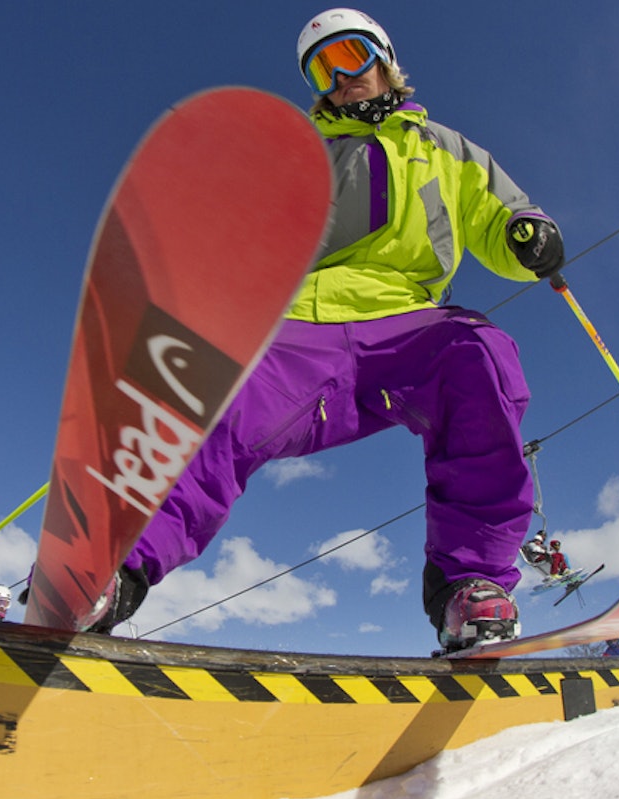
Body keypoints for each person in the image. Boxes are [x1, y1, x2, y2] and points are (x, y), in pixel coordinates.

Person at [92, 9, 565, 653]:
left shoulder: (448, 150)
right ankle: (112, 570)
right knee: (215, 401)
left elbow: (499, 215)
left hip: (408, 324)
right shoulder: (298, 155)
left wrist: (526, 231)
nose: (344, 76)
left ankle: (471, 584)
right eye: (324, 68)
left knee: (479, 354)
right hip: (301, 325)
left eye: (353, 55)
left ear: (385, 58)